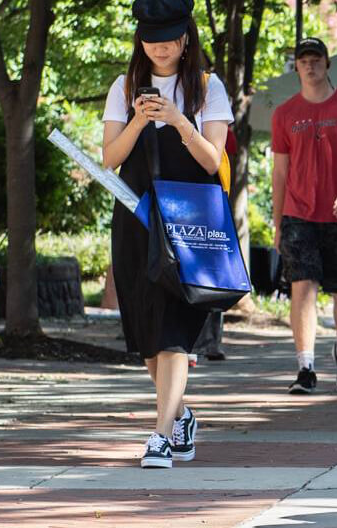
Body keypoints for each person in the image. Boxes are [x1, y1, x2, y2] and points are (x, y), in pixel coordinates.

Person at [100, 0, 234, 468]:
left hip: (189, 222)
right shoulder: (123, 87)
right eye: (151, 35)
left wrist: (177, 119)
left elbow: (212, 161)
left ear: (185, 38)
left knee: (175, 333)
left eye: (170, 36)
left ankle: (159, 437)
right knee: (145, 339)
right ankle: (180, 415)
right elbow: (109, 158)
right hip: (136, 219)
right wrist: (139, 117)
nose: (160, 45)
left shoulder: (206, 87)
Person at [270, 37, 337, 393]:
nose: (310, 66)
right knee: (302, 286)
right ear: (296, 67)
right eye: (303, 60)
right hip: (298, 214)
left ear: (327, 64)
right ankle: (305, 367)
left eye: (316, 59)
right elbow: (280, 172)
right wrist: (276, 221)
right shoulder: (284, 113)